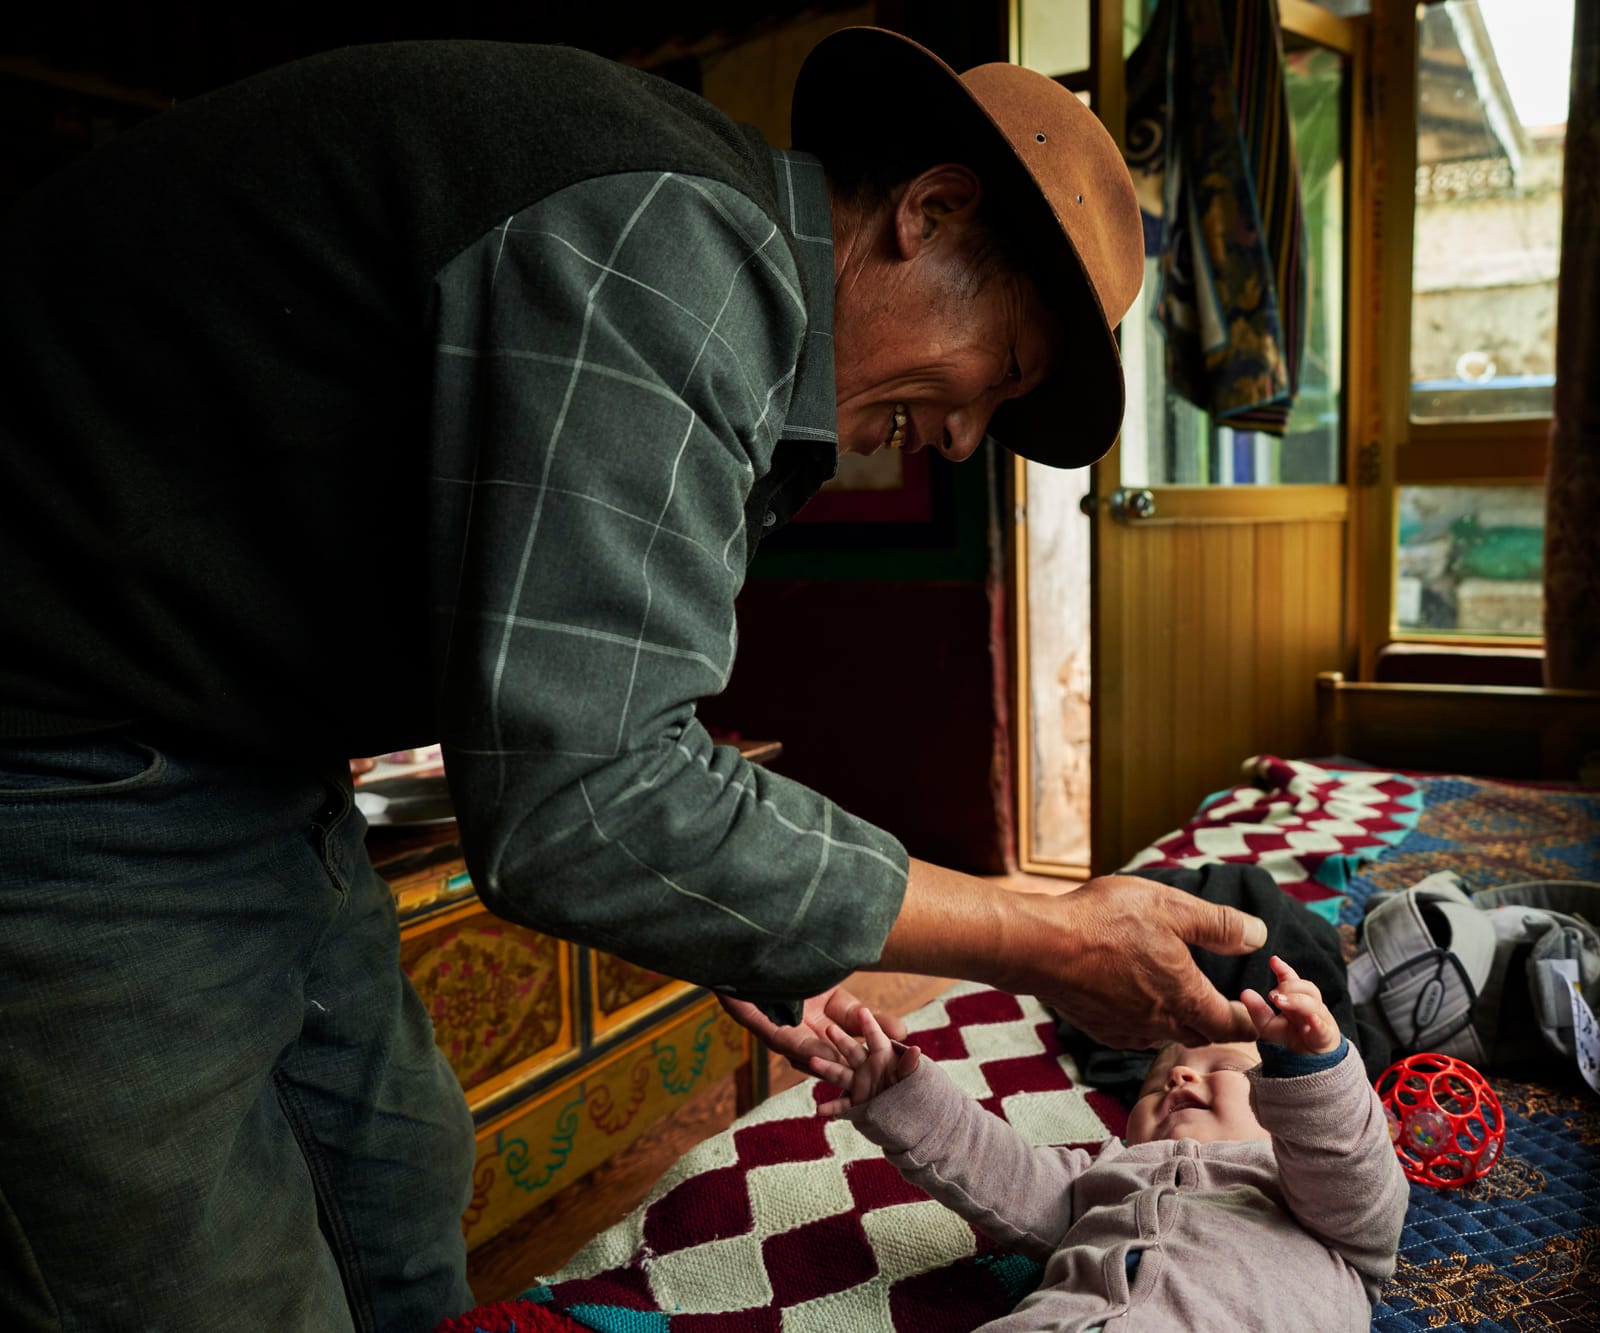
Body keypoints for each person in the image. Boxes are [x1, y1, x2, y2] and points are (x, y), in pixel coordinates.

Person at [0, 27, 1270, 1333]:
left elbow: (597, 699)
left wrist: (782, 922)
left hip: (251, 757)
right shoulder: (674, 247)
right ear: (929, 213)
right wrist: (1048, 935)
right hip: (63, 755)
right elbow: (589, 793)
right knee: (204, 1285)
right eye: (994, 378)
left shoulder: (694, 262)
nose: (957, 437)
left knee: (388, 1174)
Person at [794, 957, 1410, 1331]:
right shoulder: (1111, 1173)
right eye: (1155, 1083)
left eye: (1222, 1064)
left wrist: (1313, 1075)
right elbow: (1000, 1170)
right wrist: (904, 1094)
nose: (1179, 1075)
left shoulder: (1322, 1207)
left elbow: (1350, 1160)